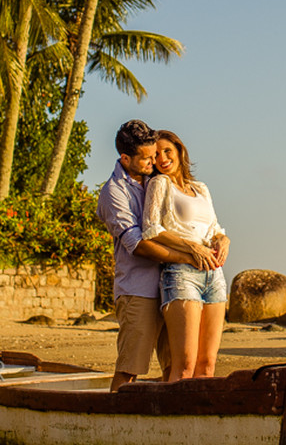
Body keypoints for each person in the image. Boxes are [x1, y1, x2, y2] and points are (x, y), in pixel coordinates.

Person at [96, 120, 195, 392]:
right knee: (130, 367)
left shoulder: (155, 179)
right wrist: (185, 257)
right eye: (147, 158)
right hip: (138, 290)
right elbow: (137, 244)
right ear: (125, 158)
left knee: (174, 366)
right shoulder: (113, 193)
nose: (154, 161)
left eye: (155, 155)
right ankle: (113, 423)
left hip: (170, 285)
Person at [141, 130, 230, 381]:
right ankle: (172, 418)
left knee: (208, 363)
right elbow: (151, 229)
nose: (163, 158)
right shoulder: (160, 184)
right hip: (181, 274)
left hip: (214, 274)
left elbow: (214, 228)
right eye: (156, 155)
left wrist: (224, 240)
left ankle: (198, 418)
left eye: (167, 151)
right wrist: (192, 247)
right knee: (185, 364)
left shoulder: (200, 188)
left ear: (179, 151)